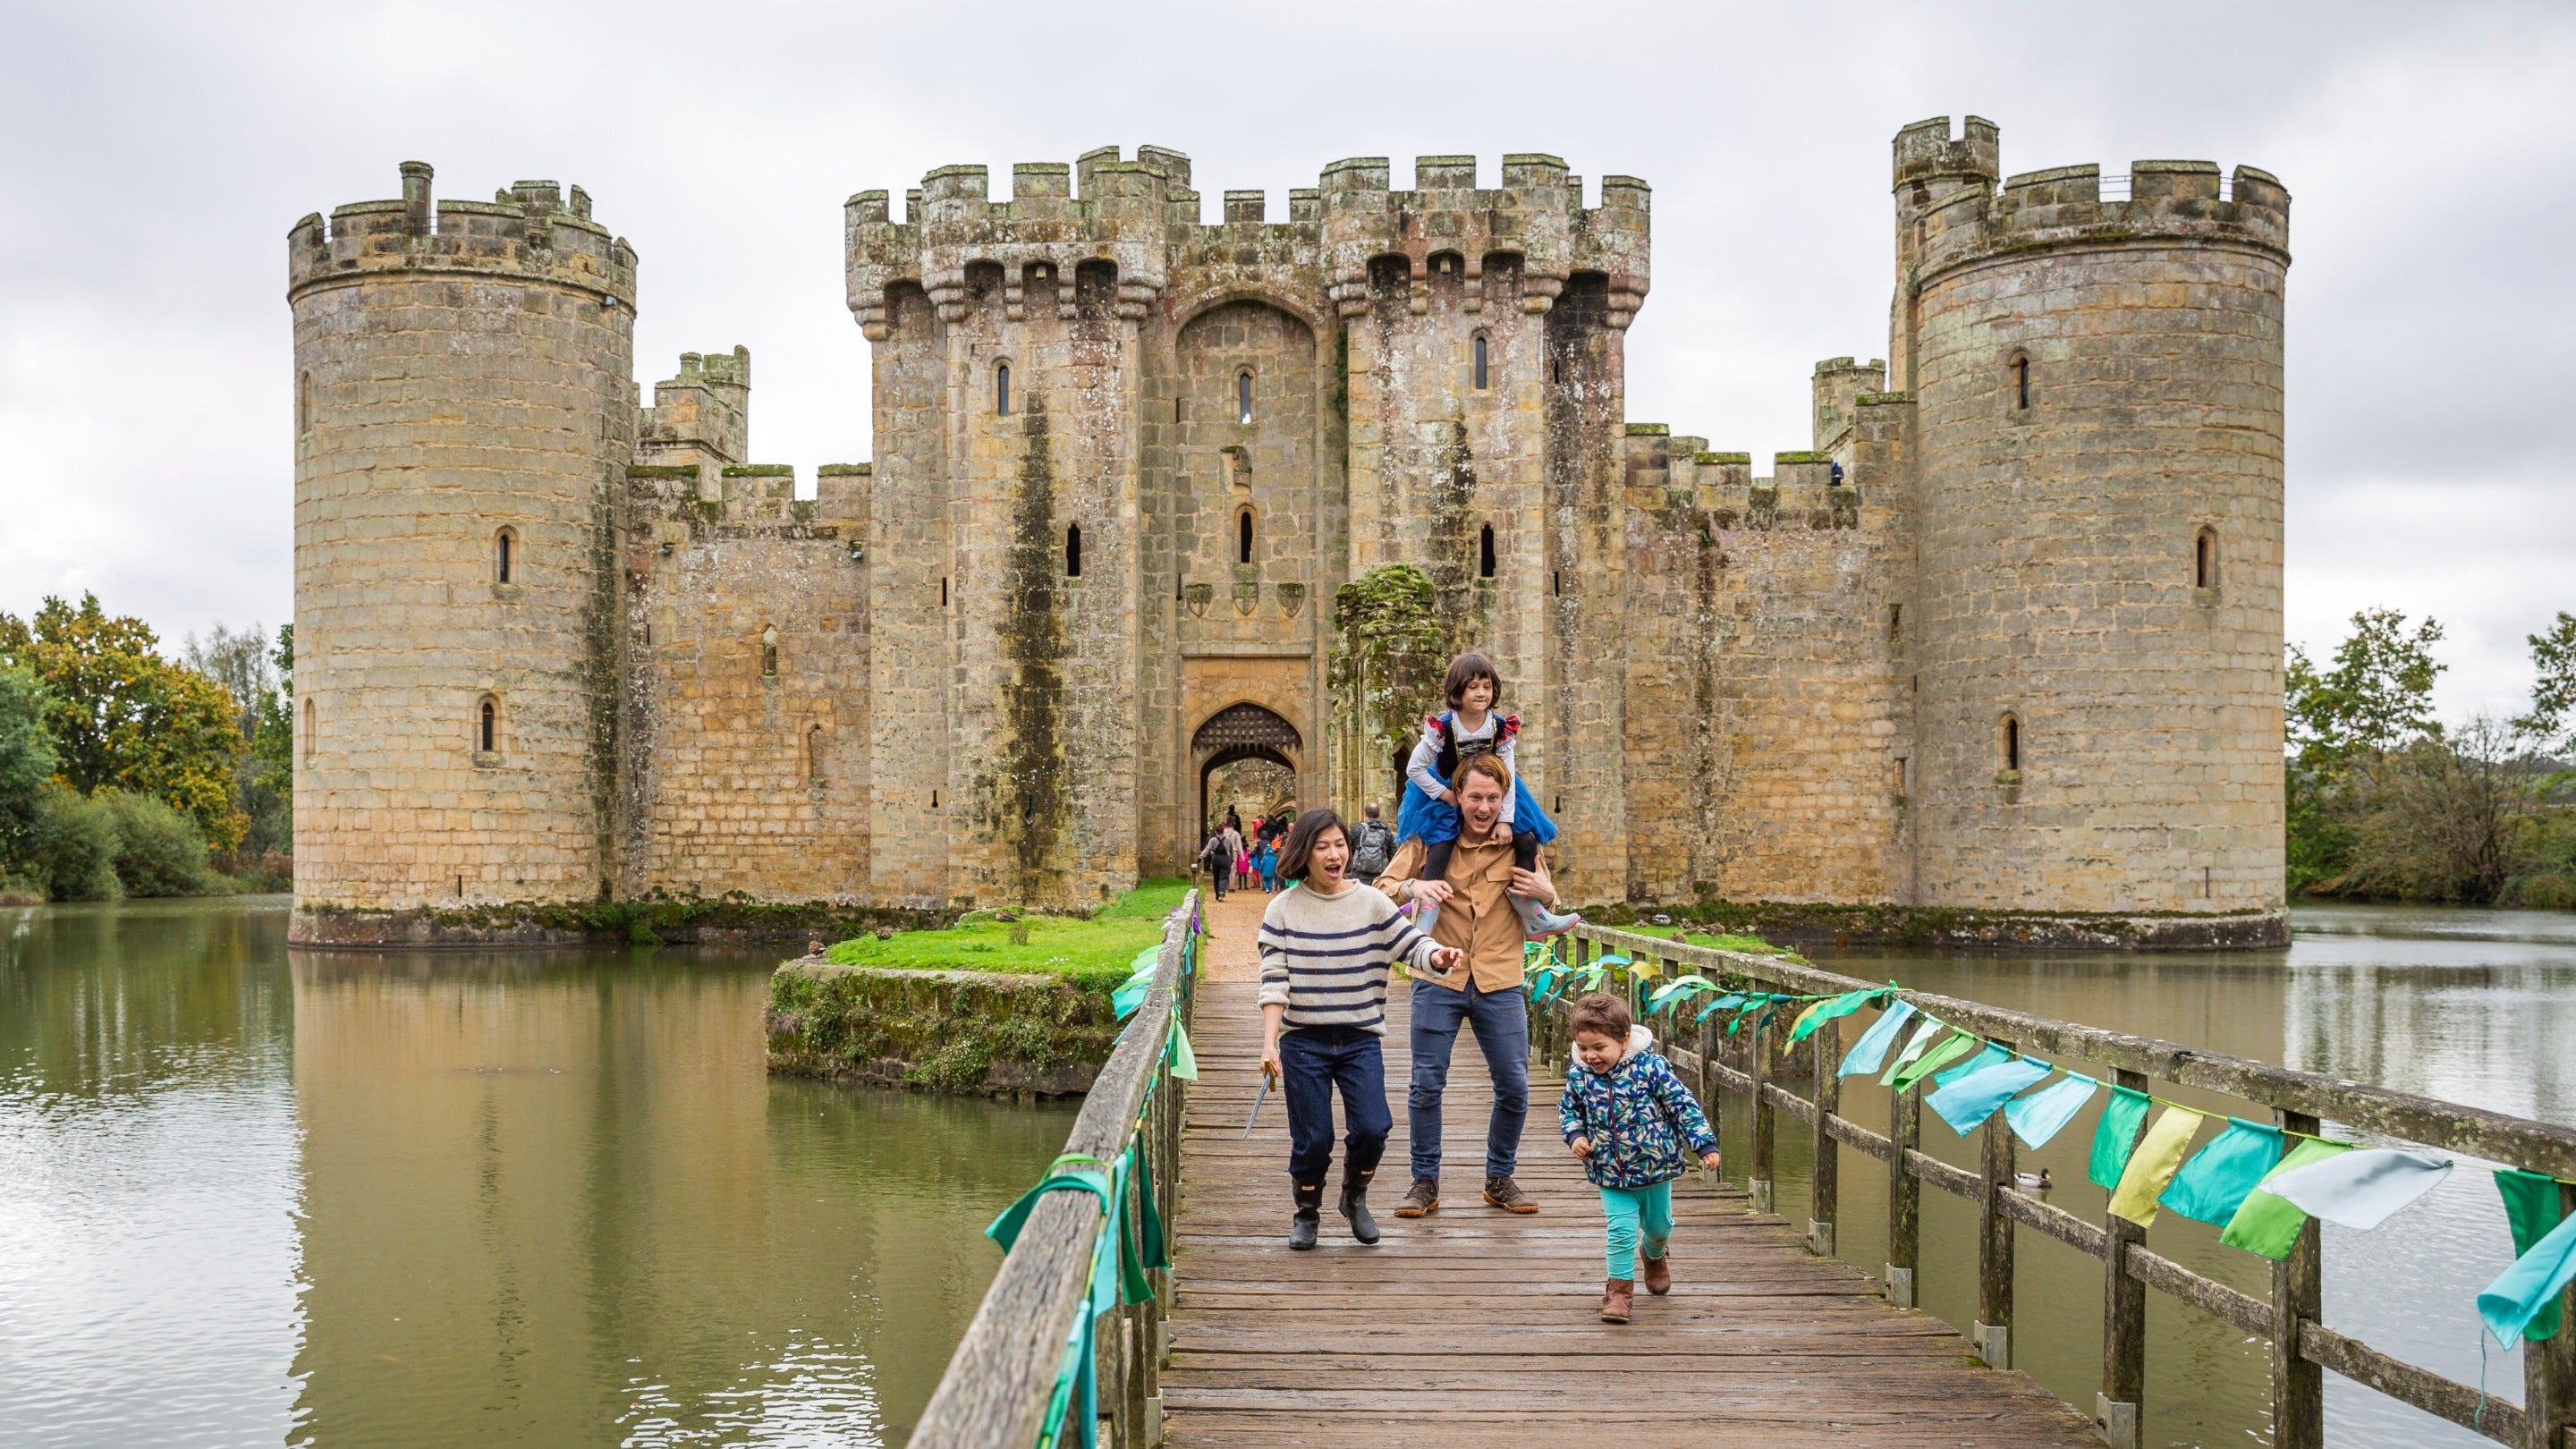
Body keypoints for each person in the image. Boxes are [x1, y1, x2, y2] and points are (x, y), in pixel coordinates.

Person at [1258, 809, 1460, 1250]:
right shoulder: (1282, 909)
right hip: (1304, 1040)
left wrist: (1438, 956)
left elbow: (1410, 943)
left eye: (1340, 845)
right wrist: (1270, 1042)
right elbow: (1274, 980)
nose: (1335, 855)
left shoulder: (1371, 901)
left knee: (1373, 1127)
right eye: (1322, 846)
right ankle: (1307, 1212)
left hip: (1359, 1037)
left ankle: (1354, 1196)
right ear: (1304, 853)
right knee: (1314, 1139)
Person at [1374, 752, 1560, 1217]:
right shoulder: (1429, 839)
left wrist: (1545, 893)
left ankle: (1500, 1177)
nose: (1483, 807)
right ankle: (1425, 1182)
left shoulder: (1521, 842)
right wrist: (1412, 889)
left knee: (1515, 1086)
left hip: (1499, 980)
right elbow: (1380, 886)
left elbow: (1551, 900)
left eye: (1492, 798)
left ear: (1505, 799)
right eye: (1474, 796)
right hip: (1439, 977)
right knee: (1425, 1085)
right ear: (1458, 796)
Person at [1394, 652, 1580, 943]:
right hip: (1451, 790)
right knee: (1440, 846)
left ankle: (1530, 910)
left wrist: (1505, 819)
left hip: (1493, 789)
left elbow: (1508, 771)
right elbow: (1415, 768)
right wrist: (1444, 794)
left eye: (1487, 686)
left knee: (1526, 840)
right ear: (1457, 691)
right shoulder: (1444, 729)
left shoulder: (1499, 728)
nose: (1481, 693)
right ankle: (1425, 920)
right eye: (1473, 686)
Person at [1558, 991, 1721, 1323]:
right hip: (1609, 1170)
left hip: (1655, 1167)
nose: (1590, 1056)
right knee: (1620, 1230)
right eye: (1584, 1048)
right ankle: (1619, 1293)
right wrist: (1576, 1135)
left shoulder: (1651, 1068)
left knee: (1659, 1226)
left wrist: (1703, 1144)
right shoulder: (1579, 1076)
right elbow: (1569, 1111)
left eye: (1599, 1047)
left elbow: (1682, 1105)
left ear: (1624, 1039)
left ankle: (1654, 1252)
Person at [1348, 802, 1396, 887]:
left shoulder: (1357, 829)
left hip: (1358, 876)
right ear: (1380, 814)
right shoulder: (1386, 832)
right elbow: (1393, 856)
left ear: (1365, 814)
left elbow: (1347, 852)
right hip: (1378, 878)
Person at [1199, 827, 1232, 900]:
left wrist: (1201, 857)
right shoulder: (1228, 839)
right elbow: (1230, 850)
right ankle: (1222, 891)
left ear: (1216, 832)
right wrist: (1232, 860)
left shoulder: (1213, 840)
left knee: (1216, 878)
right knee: (1224, 876)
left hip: (1216, 859)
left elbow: (1207, 849)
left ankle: (1217, 894)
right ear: (1223, 831)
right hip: (1225, 859)